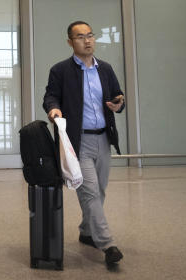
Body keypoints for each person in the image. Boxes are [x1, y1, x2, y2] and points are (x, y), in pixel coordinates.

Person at [43, 21, 125, 268]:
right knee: (89, 192)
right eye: (80, 37)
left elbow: (117, 96)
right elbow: (51, 95)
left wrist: (119, 103)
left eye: (90, 35)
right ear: (70, 42)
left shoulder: (106, 69)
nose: (87, 40)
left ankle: (86, 231)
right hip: (78, 141)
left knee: (99, 191)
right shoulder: (60, 70)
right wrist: (53, 108)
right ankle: (108, 245)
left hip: (103, 138)